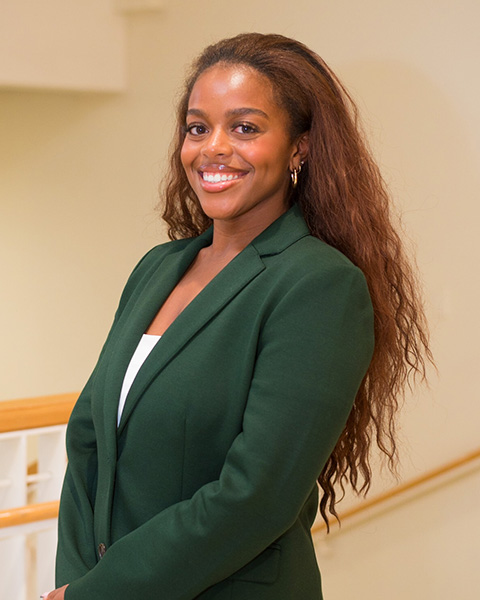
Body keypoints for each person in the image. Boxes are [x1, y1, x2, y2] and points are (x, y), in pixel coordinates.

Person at [46, 33, 431, 600]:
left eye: (245, 127)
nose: (213, 148)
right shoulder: (158, 268)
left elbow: (257, 496)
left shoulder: (318, 285)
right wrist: (76, 584)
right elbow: (89, 446)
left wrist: (104, 593)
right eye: (198, 127)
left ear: (300, 147)